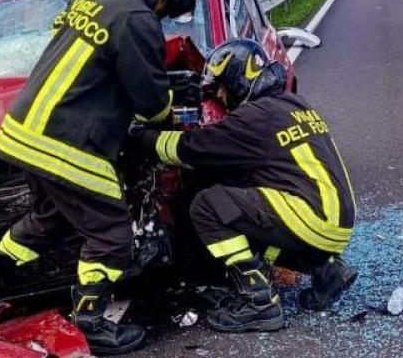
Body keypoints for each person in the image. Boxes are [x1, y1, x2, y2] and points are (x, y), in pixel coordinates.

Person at [0, 0, 201, 356]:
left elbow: (98, 68)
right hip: (66, 143)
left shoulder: (95, 1)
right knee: (111, 233)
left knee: (49, 219)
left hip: (22, 133)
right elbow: (150, 102)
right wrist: (173, 106)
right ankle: (90, 322)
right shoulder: (139, 18)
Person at [136, 38, 357, 332]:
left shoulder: (252, 118)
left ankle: (258, 303)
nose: (220, 97)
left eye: (221, 89)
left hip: (309, 215)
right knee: (245, 213)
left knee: (208, 207)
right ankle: (326, 269)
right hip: (337, 220)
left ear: (237, 80)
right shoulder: (292, 103)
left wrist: (142, 138)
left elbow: (191, 149)